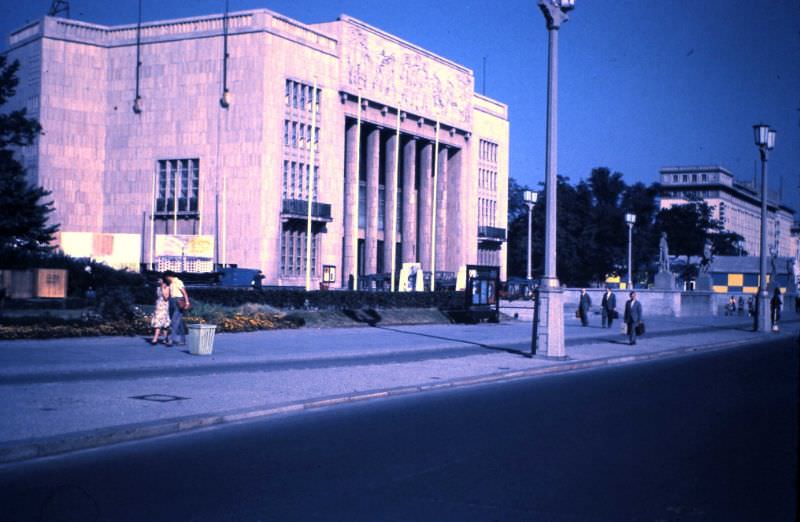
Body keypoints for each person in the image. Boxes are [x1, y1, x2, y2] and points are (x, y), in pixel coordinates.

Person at [163, 270, 190, 346]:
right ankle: (183, 340)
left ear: (168, 276)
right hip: (173, 301)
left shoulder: (178, 282)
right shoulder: (171, 283)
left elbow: (184, 292)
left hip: (178, 300)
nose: (166, 279)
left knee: (174, 321)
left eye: (166, 277)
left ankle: (171, 339)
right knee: (179, 322)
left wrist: (187, 302)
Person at [149, 277, 171, 345]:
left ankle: (155, 339)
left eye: (159, 280)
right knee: (158, 322)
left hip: (164, 306)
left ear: (163, 280)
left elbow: (166, 298)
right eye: (157, 280)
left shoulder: (167, 287)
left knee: (163, 322)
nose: (158, 281)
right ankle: (165, 339)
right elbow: (158, 297)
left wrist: (162, 289)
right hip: (158, 306)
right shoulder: (158, 288)